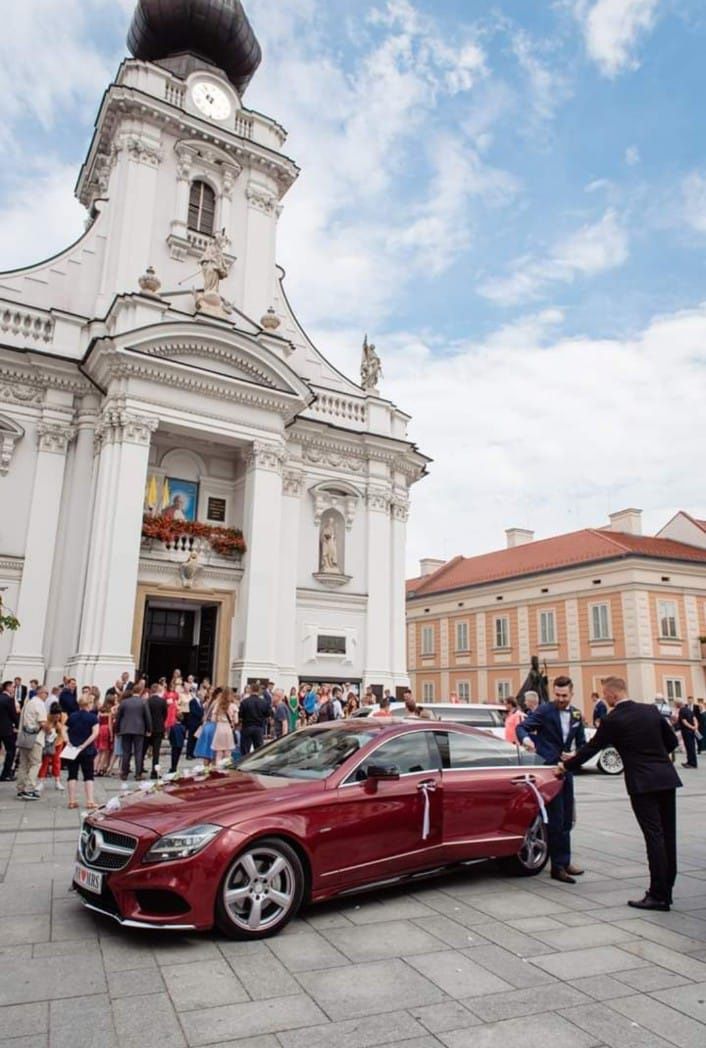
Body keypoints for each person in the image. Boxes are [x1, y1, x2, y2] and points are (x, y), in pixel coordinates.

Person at [559, 676, 681, 911]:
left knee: (653, 836)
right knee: (668, 836)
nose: (604, 698)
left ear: (613, 695)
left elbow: (592, 748)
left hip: (642, 783)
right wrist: (655, 758)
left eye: (605, 694)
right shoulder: (650, 711)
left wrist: (566, 765)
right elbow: (670, 742)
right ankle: (667, 888)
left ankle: (657, 894)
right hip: (666, 778)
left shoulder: (613, 719)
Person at [516, 675, 586, 884]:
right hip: (549, 771)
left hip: (567, 769)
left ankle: (565, 861)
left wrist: (574, 754)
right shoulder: (546, 710)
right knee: (555, 818)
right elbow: (523, 727)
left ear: (572, 693)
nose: (561, 699)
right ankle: (557, 867)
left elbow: (581, 742)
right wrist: (528, 741)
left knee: (566, 818)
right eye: (557, 695)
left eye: (564, 695)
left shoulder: (576, 714)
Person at [65, 694, 100, 810]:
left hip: (72, 749)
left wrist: (68, 741)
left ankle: (71, 801)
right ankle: (90, 801)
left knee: (72, 775)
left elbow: (63, 730)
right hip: (87, 750)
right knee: (88, 775)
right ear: (89, 704)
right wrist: (84, 745)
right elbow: (95, 733)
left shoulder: (72, 716)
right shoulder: (93, 718)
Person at [15, 687, 49, 800]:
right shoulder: (39, 704)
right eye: (46, 693)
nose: (47, 696)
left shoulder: (28, 703)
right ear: (41, 693)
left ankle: (20, 788)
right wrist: (50, 731)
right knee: (35, 763)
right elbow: (42, 722)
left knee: (24, 763)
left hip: (24, 736)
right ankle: (29, 789)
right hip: (35, 737)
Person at [114, 687, 152, 785]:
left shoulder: (124, 702)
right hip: (139, 729)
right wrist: (149, 729)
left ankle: (124, 773)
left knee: (126, 752)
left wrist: (117, 729)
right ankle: (138, 774)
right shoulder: (143, 702)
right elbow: (147, 716)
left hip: (125, 729)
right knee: (138, 752)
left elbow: (119, 717)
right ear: (140, 692)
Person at [37, 697, 66, 792]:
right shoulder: (47, 717)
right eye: (55, 715)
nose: (57, 716)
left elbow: (62, 729)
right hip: (48, 743)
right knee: (44, 761)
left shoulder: (64, 716)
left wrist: (57, 723)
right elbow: (46, 729)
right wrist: (51, 723)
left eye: (58, 715)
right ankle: (40, 782)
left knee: (56, 761)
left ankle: (57, 781)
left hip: (58, 742)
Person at [239, 685, 270, 755]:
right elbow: (268, 714)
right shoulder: (264, 702)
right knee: (258, 751)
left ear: (250, 690)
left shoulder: (244, 702)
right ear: (258, 691)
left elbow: (240, 715)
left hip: (247, 727)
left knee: (245, 750)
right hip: (259, 727)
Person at [146, 684, 168, 778]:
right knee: (156, 751)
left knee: (143, 750)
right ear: (158, 690)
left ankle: (139, 769)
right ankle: (154, 772)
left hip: (148, 728)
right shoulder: (162, 701)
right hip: (159, 728)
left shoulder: (147, 701)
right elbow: (165, 714)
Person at [0, 680, 19, 781]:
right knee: (10, 751)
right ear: (7, 687)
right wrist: (18, 725)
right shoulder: (9, 699)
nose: (13, 689)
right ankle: (5, 774)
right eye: (12, 687)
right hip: (7, 729)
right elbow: (13, 715)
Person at [211, 688, 237, 763]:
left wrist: (219, 719)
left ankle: (218, 769)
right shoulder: (233, 706)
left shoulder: (218, 705)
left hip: (219, 728)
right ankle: (226, 770)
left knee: (219, 753)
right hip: (228, 729)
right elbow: (236, 720)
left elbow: (213, 719)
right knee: (228, 753)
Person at [676, 698, 699, 769]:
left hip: (686, 731)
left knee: (689, 747)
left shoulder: (681, 710)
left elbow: (684, 721)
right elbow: (695, 719)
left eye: (676, 703)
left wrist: (692, 727)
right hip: (692, 731)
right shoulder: (689, 709)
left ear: (678, 704)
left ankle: (691, 763)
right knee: (691, 747)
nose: (675, 705)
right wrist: (695, 727)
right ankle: (691, 762)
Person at [186, 687, 205, 759]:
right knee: (191, 739)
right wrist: (201, 715)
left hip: (198, 723)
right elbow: (193, 711)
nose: (203, 696)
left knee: (195, 739)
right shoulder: (192, 701)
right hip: (193, 722)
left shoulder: (200, 702)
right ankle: (188, 754)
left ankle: (193, 753)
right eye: (202, 695)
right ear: (198, 695)